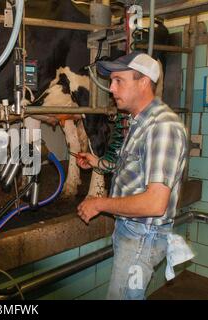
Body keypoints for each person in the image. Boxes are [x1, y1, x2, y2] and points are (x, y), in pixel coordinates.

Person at [76, 51, 189, 300]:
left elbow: (155, 203)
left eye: (119, 80)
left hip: (142, 237)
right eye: (111, 81)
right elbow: (132, 171)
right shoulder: (140, 121)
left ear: (144, 82)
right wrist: (97, 163)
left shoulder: (162, 127)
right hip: (133, 231)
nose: (111, 88)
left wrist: (100, 203)